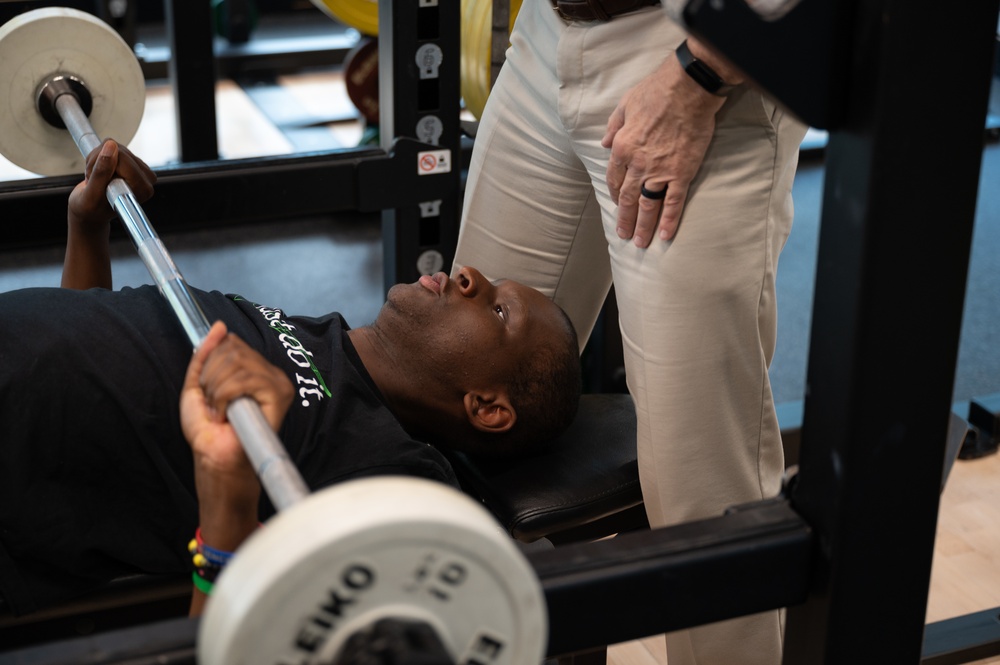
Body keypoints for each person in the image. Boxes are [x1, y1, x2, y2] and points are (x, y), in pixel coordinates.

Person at [0, 140, 582, 617]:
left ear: (487, 406)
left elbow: (260, 644)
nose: (471, 277)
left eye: (500, 311)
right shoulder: (319, 334)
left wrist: (229, 504)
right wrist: (89, 227)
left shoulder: (395, 476)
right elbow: (88, 330)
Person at [453, 2, 808, 663]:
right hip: (545, 36)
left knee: (697, 479)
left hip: (691, 55)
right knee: (463, 389)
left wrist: (698, 74)